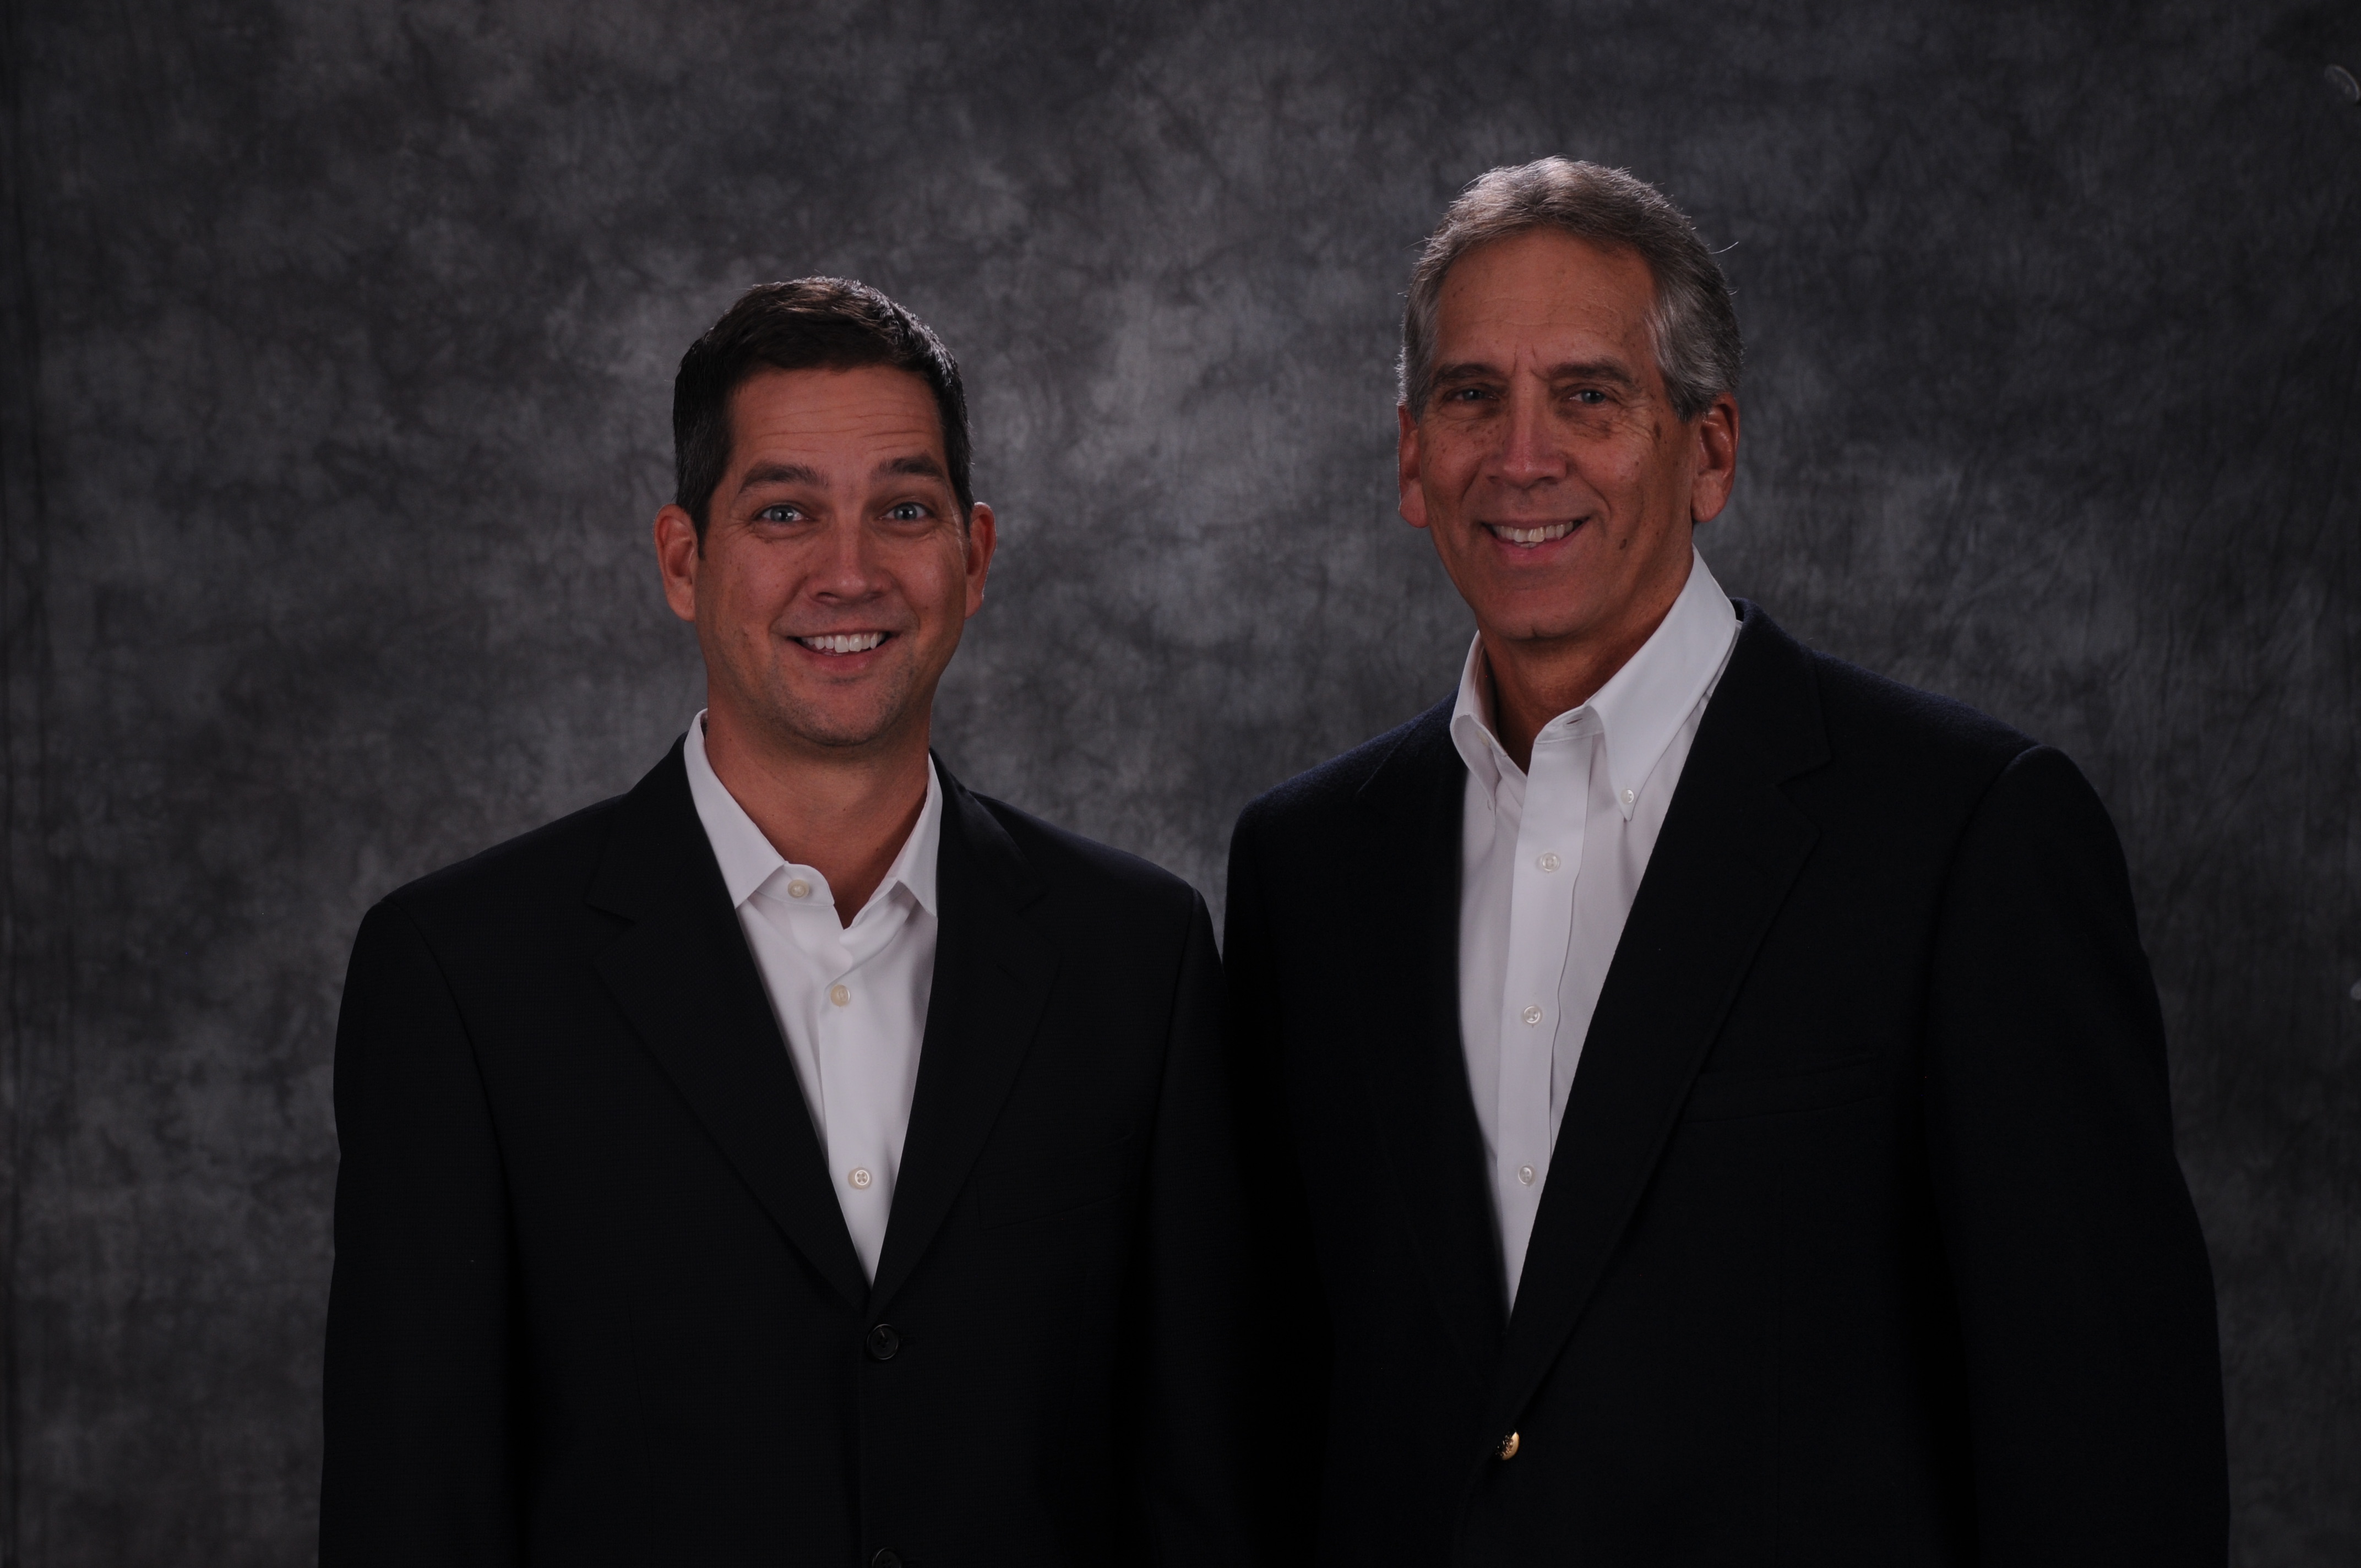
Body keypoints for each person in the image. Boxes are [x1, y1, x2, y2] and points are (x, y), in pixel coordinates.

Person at [1223, 160, 2227, 1563]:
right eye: (1469, 396)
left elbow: (2105, 1443)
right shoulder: (1310, 865)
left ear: (1709, 449)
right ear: (1409, 458)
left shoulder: (1964, 832)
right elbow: (1280, 1405)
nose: (1521, 456)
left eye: (1588, 395)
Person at [321, 278, 1253, 1566]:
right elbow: (411, 1505)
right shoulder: (466, 975)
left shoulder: (1137, 958)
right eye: (783, 512)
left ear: (974, 554)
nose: (850, 571)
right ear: (683, 560)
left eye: (903, 509)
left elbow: (1200, 1492)